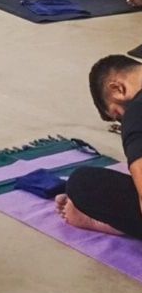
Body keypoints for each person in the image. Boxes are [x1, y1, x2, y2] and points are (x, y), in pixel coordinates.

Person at [56, 55, 142, 238]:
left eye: (119, 116)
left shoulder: (136, 113)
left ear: (117, 89)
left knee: (83, 182)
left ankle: (114, 226)